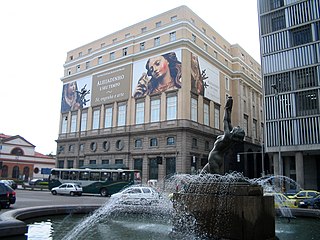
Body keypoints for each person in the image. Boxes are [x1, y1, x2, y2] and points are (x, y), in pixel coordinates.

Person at [201, 96, 245, 174]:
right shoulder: (231, 138)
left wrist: (226, 108)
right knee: (202, 176)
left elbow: (225, 120)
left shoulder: (228, 135)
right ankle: (192, 186)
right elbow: (229, 121)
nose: (237, 126)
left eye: (238, 128)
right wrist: (229, 109)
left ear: (236, 132)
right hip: (220, 159)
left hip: (213, 158)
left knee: (216, 180)